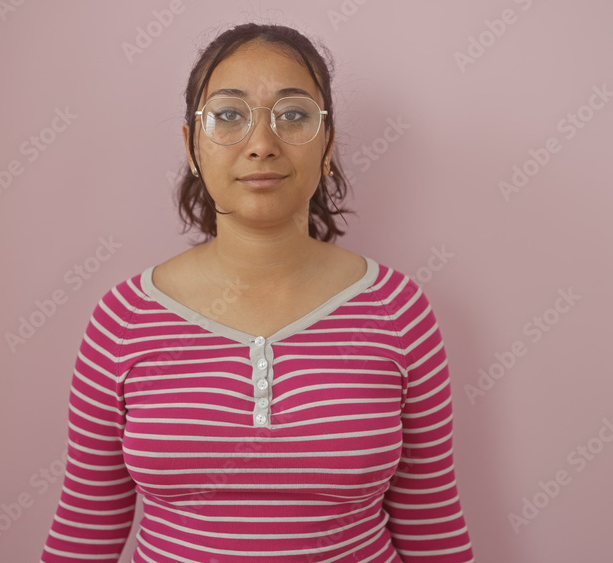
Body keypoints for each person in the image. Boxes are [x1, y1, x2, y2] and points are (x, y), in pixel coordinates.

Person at [39, 21, 475, 563]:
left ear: (328, 142)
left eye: (294, 115)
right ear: (192, 144)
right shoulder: (123, 319)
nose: (262, 144)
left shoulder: (397, 311)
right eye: (228, 116)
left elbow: (431, 522)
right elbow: (85, 529)